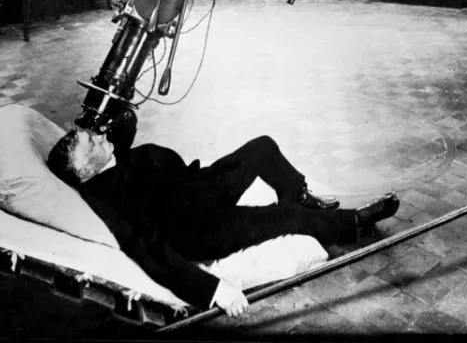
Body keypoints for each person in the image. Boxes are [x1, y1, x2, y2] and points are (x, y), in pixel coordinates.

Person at [48, 106, 399, 318]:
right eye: (89, 144)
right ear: (83, 173)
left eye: (92, 135)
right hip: (201, 227)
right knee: (284, 220)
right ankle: (351, 222)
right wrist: (216, 291)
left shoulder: (111, 156)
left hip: (199, 187)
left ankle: (298, 196)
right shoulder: (107, 197)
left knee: (262, 148)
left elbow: (123, 124)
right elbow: (148, 249)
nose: (97, 136)